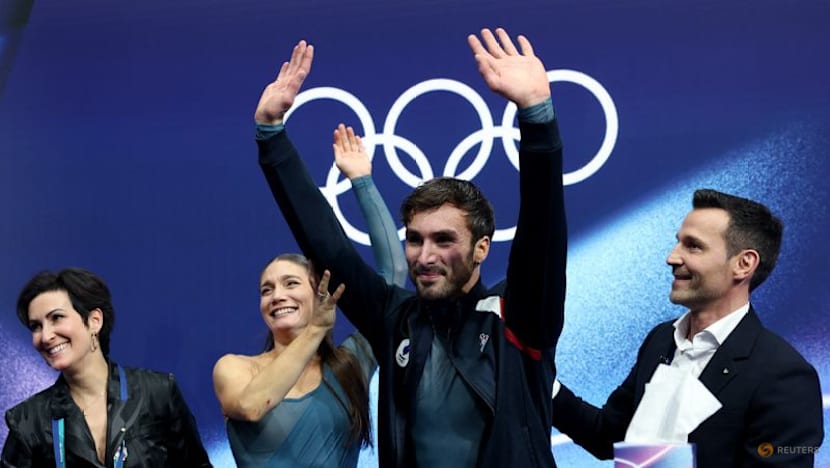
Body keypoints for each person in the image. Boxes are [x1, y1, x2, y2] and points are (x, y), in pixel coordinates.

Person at [254, 27, 567, 467]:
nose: (425, 256)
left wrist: (537, 119)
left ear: (482, 248)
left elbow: (543, 231)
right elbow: (326, 244)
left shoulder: (518, 318)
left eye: (444, 240)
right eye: (415, 239)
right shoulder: (395, 318)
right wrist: (271, 136)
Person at [552, 189, 824, 467]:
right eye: (678, 243)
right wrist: (539, 381)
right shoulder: (661, 340)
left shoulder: (784, 377)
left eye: (693, 246)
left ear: (744, 264)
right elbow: (608, 435)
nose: (672, 257)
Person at [212, 124, 407, 468]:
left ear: (320, 293)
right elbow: (254, 404)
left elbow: (393, 275)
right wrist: (315, 331)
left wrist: (361, 181)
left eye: (290, 283)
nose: (277, 296)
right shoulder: (234, 368)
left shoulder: (352, 365)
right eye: (266, 289)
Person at [2, 268, 212, 467]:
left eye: (56, 318)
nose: (46, 336)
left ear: (94, 321)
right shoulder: (28, 420)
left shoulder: (157, 393)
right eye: (36, 326)